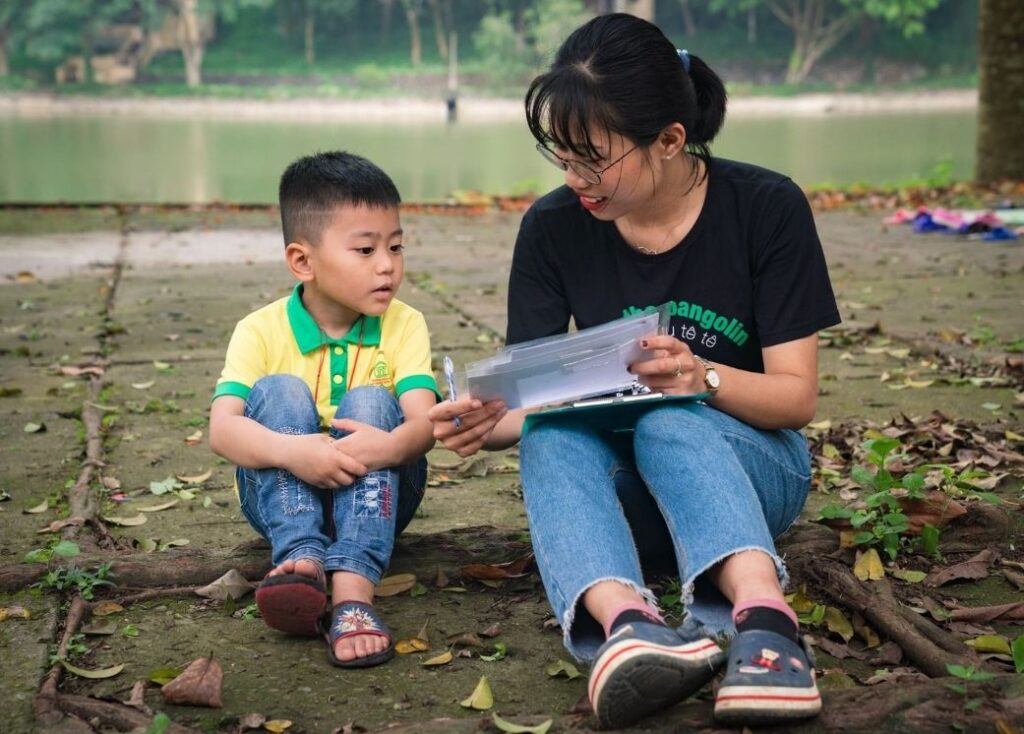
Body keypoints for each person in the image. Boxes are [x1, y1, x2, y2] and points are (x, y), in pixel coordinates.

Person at [427, 13, 840, 729]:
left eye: (593, 158)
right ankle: (629, 631)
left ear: (670, 140)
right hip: (622, 499)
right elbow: (535, 398)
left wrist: (701, 378)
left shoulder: (766, 208)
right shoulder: (553, 228)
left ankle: (767, 628)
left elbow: (796, 399)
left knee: (666, 422)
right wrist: (486, 421)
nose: (574, 177)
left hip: (751, 469)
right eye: (560, 154)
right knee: (551, 436)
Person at [209, 151, 439, 668]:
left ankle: (354, 594)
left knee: (373, 401)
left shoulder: (405, 324)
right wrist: (293, 452)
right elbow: (222, 431)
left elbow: (423, 420)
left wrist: (391, 445)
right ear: (302, 261)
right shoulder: (259, 329)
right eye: (365, 249)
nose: (387, 264)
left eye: (395, 246)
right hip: (281, 499)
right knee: (280, 390)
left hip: (380, 494)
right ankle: (300, 560)